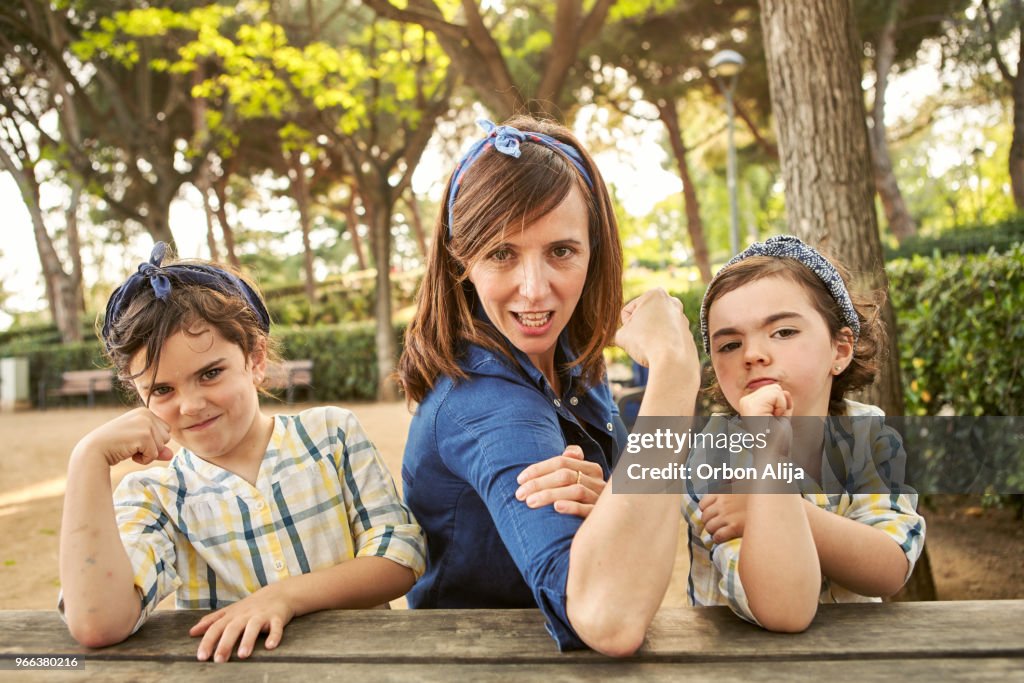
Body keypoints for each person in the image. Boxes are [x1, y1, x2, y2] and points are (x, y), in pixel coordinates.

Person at [397, 116, 700, 656]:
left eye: (561, 251)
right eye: (501, 253)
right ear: (459, 260)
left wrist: (615, 504)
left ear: (594, 250)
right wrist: (676, 373)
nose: (535, 290)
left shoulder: (572, 363)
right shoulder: (488, 406)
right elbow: (608, 619)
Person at [59, 243, 425, 662]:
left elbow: (400, 558)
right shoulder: (154, 494)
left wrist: (283, 597)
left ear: (255, 359)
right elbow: (97, 623)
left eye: (210, 373)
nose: (191, 405)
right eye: (162, 390)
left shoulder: (330, 435)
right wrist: (87, 459)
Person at [683, 235, 926, 632]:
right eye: (729, 344)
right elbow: (783, 610)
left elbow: (891, 567)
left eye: (782, 332)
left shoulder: (868, 435)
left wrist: (775, 509)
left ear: (840, 349)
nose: (752, 354)